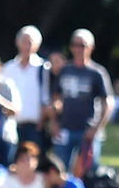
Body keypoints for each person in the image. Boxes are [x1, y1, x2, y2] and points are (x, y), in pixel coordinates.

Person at [49, 28, 114, 174]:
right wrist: (53, 122)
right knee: (59, 169)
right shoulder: (64, 70)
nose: (78, 49)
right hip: (65, 127)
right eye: (75, 44)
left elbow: (107, 102)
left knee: (88, 170)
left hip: (87, 130)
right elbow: (55, 98)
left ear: (91, 48)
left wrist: (96, 128)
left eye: (82, 45)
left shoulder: (97, 73)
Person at [1, 26, 51, 149]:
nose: (27, 46)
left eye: (30, 42)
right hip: (11, 126)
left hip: (34, 127)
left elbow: (47, 95)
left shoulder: (44, 68)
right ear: (17, 43)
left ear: (37, 45)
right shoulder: (7, 69)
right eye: (24, 41)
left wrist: (42, 120)